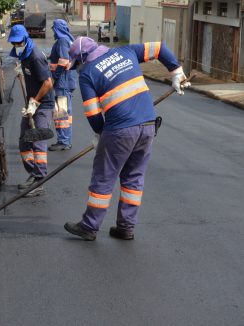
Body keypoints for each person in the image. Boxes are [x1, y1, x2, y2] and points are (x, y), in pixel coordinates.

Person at [64, 37, 191, 240]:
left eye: (77, 63)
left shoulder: (87, 73)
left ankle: (89, 226)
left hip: (120, 130)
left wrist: (100, 132)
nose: (78, 68)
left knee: (104, 178)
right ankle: (126, 227)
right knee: (133, 178)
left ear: (81, 59)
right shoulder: (126, 51)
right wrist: (176, 72)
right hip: (148, 125)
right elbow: (159, 47)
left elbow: (92, 112)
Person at [9, 25, 55, 197]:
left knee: (38, 140)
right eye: (13, 43)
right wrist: (21, 72)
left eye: (18, 42)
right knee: (24, 140)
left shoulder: (35, 56)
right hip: (32, 104)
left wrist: (35, 102)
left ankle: (39, 181)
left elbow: (48, 83)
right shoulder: (23, 55)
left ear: (25, 39)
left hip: (43, 104)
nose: (16, 45)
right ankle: (33, 172)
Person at [48, 19, 77, 151]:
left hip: (62, 82)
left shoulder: (62, 41)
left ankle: (63, 141)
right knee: (65, 113)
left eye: (54, 29)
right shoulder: (69, 40)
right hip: (67, 81)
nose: (53, 31)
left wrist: (54, 76)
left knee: (61, 113)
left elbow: (64, 61)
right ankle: (66, 140)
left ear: (57, 29)